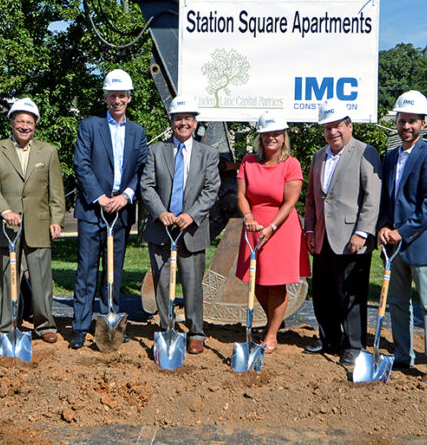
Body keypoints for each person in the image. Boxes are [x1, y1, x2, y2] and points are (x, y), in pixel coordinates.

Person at [70, 69, 147, 349]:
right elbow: (81, 164)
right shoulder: (90, 126)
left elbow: (141, 169)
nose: (117, 100)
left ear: (129, 98)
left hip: (122, 211)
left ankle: (110, 325)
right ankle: (79, 327)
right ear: (105, 97)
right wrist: (100, 198)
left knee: (113, 275)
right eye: (112, 95)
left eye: (122, 96)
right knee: (86, 271)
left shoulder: (138, 132)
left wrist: (126, 196)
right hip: (93, 211)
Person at [303, 99, 382, 366]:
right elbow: (313, 199)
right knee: (323, 291)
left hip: (351, 238)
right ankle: (329, 339)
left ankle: (354, 345)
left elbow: (372, 196)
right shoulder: (318, 156)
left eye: (337, 126)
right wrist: (310, 229)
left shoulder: (364, 152)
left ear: (349, 126)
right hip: (323, 237)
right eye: (327, 128)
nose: (332, 132)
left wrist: (362, 232)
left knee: (351, 293)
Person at [377, 91, 427, 385]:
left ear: (423, 123)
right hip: (393, 246)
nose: (406, 126)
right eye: (402, 121)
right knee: (397, 302)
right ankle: (404, 355)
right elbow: (386, 199)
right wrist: (383, 225)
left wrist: (401, 231)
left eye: (412, 122)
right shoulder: (391, 157)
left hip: (421, 243)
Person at [0, 98, 65, 347]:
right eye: (20, 121)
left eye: (29, 122)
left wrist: (57, 219)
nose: (25, 126)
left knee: (41, 279)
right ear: (11, 123)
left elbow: (56, 190)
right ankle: (6, 327)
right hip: (7, 224)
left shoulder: (48, 151)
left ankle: (45, 325)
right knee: (6, 278)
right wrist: (4, 210)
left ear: (35, 125)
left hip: (39, 223)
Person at [140, 95, 220, 355]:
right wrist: (160, 211)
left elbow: (211, 189)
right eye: (178, 118)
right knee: (163, 282)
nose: (183, 123)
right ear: (171, 121)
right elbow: (147, 185)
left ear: (195, 123)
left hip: (192, 230)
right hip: (161, 228)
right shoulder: (156, 151)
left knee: (192, 283)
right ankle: (167, 328)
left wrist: (192, 215)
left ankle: (196, 331)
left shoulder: (208, 154)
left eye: (187, 118)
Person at [236, 110, 310, 352]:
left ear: (284, 137)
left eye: (276, 133)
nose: (271, 137)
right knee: (257, 283)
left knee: (276, 284)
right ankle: (273, 323)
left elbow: (290, 202)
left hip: (281, 229)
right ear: (260, 136)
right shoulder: (248, 162)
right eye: (267, 133)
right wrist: (248, 216)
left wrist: (271, 227)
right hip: (253, 227)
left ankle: (271, 335)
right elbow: (241, 195)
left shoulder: (291, 165)